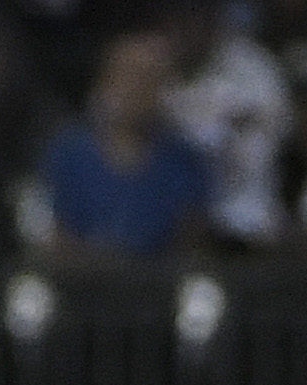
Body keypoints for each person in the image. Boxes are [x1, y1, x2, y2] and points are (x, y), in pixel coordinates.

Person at [36, 26, 212, 258]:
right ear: (105, 81)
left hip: (158, 285)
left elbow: (192, 243)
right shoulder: (67, 154)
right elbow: (50, 234)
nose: (137, 90)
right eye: (128, 76)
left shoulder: (185, 161)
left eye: (150, 79)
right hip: (77, 283)